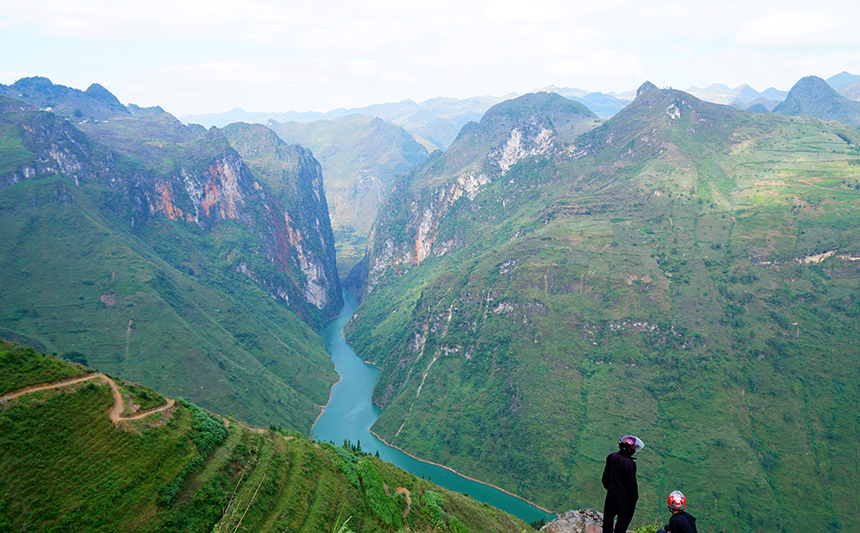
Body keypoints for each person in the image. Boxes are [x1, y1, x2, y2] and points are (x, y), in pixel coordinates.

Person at [602, 435, 644, 533]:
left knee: (608, 518)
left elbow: (605, 477)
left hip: (611, 495)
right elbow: (632, 484)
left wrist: (610, 488)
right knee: (622, 522)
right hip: (625, 499)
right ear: (630, 450)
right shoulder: (630, 464)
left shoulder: (611, 457)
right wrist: (633, 499)